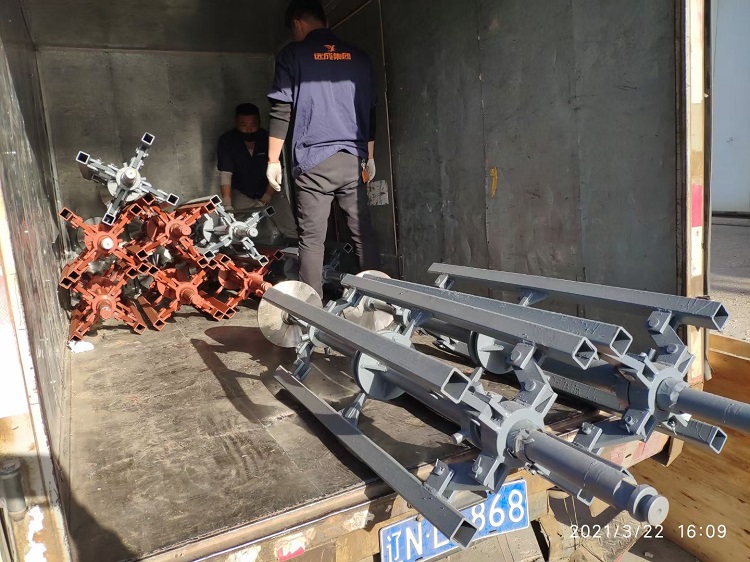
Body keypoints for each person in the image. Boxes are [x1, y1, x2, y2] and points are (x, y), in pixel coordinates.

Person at [266, 0, 381, 296]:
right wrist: (369, 156)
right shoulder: (359, 57)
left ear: (297, 23)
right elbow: (370, 111)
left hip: (313, 162)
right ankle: (379, 302)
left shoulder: (292, 55)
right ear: (326, 21)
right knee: (363, 234)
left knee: (312, 240)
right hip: (352, 160)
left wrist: (273, 160)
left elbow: (281, 109)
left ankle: (311, 309)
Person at [217, 103, 298, 240]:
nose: (249, 130)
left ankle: (293, 249)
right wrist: (227, 205)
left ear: (259, 122)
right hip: (242, 192)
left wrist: (265, 199)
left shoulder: (268, 139)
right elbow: (225, 174)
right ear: (236, 122)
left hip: (270, 189)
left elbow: (278, 171)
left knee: (289, 228)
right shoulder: (227, 141)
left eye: (253, 125)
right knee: (241, 231)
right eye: (243, 125)